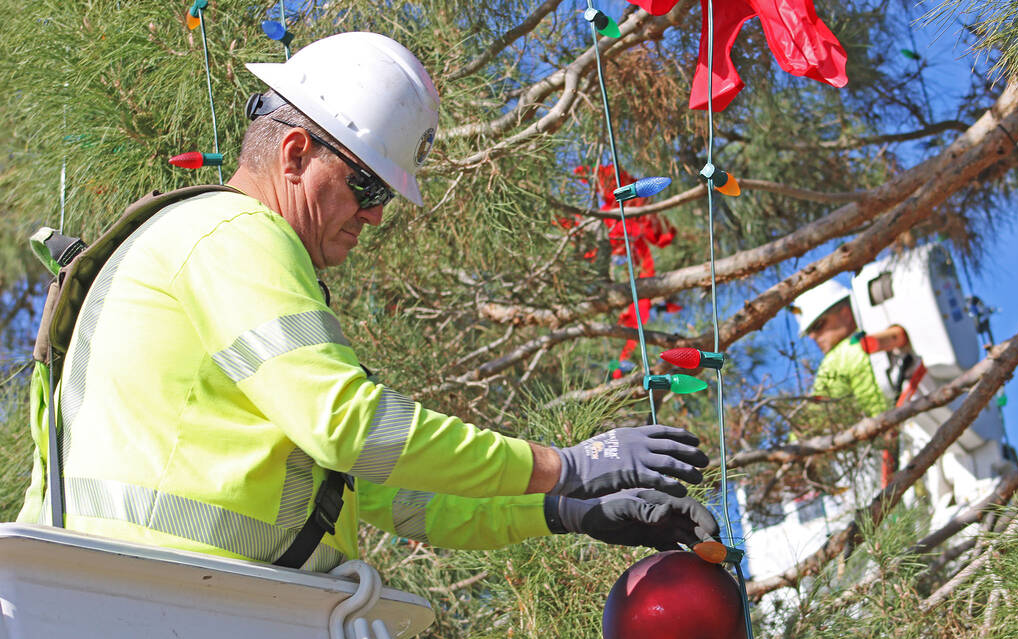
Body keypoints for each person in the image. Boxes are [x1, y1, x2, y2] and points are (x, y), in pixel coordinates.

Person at [16, 32, 719, 571]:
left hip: (154, 611)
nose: (375, 216)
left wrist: (566, 510)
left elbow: (392, 493)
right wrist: (567, 463)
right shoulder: (234, 235)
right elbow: (351, 428)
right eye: (368, 188)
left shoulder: (216, 257)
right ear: (294, 154)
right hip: (158, 610)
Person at [791, 281, 909, 417]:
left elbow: (815, 419)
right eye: (809, 333)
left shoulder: (838, 358)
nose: (813, 337)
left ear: (846, 313)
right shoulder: (879, 325)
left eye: (818, 326)